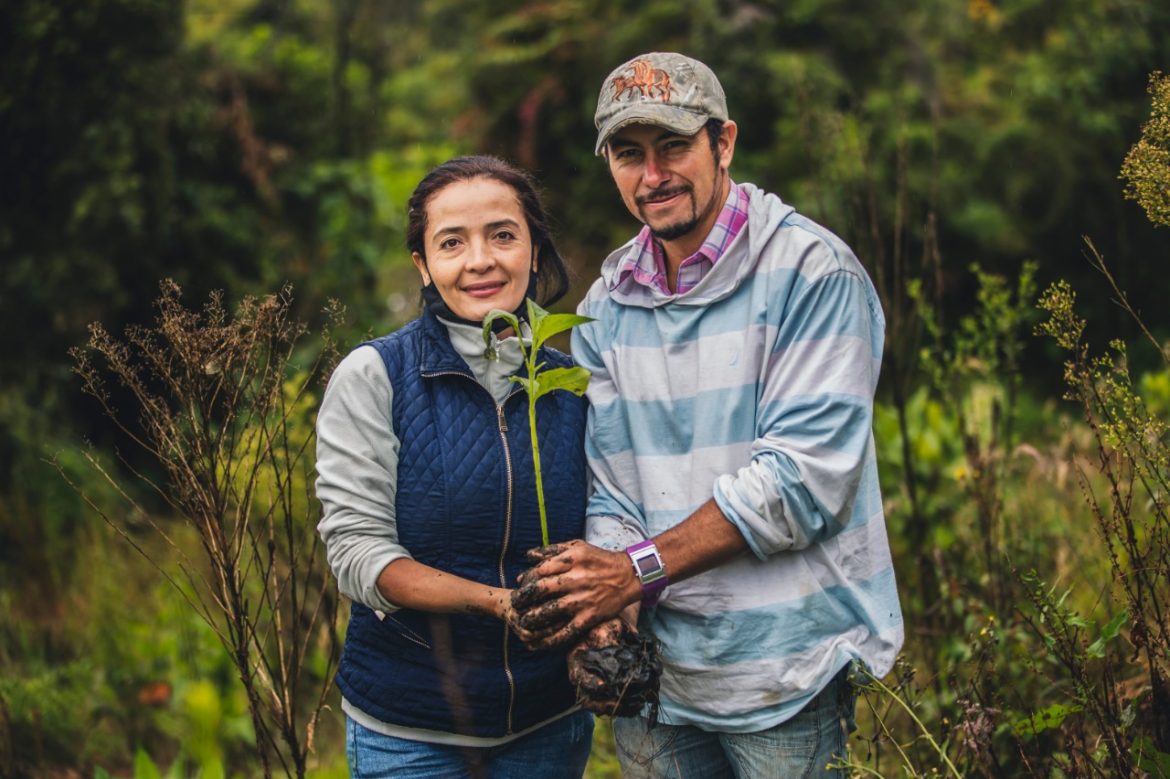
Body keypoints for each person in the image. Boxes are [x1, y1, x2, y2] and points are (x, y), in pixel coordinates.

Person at [514, 53, 905, 777]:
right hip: (658, 688)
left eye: (673, 147)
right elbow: (611, 485)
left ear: (723, 143)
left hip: (786, 676)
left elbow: (800, 484)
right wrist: (609, 611)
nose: (652, 175)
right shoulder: (607, 304)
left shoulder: (812, 274)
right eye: (629, 154)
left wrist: (631, 570)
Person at [315, 155, 593, 778]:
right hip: (412, 725)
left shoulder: (573, 383)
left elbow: (609, 521)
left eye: (502, 235)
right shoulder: (376, 376)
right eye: (451, 242)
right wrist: (499, 602)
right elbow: (359, 555)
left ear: (534, 247)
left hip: (549, 719)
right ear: (423, 264)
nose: (480, 261)